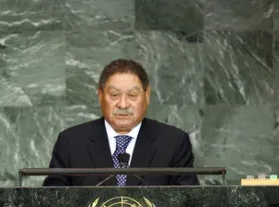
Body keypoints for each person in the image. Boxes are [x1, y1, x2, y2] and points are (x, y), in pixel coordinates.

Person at [43, 59, 199, 186]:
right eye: (114, 95)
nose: (123, 104)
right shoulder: (71, 142)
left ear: (147, 96)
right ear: (100, 95)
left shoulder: (174, 143)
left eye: (132, 95)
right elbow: (52, 205)